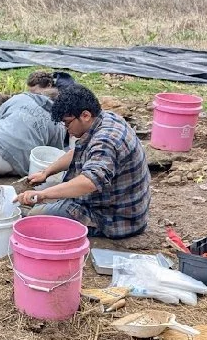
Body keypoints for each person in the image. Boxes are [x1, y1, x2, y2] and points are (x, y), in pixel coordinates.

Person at [17, 85, 151, 239]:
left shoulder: (106, 141)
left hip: (115, 219)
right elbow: (79, 151)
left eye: (68, 123)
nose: (67, 129)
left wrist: (42, 195)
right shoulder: (105, 118)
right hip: (118, 204)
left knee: (36, 218)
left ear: (85, 115)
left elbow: (89, 183)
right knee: (57, 193)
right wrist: (46, 172)